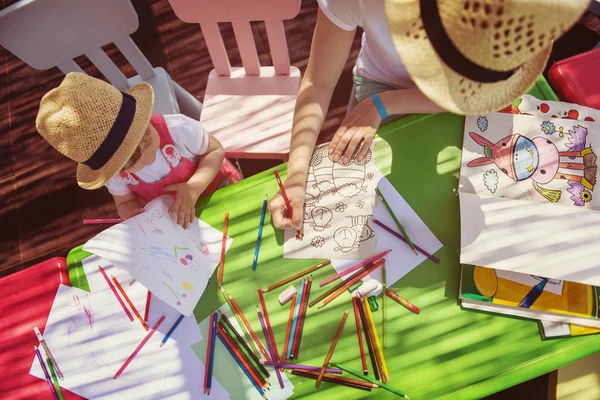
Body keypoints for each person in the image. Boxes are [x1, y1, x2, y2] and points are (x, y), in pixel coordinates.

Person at [269, 0, 590, 230]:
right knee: (392, 205)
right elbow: (318, 82)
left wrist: (388, 103)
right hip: (382, 86)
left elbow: (475, 95)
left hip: (457, 98)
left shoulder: (512, 20)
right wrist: (297, 173)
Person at [36, 72, 241, 228]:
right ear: (113, 169)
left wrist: (194, 186)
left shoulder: (177, 130)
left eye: (148, 141)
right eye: (132, 163)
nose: (148, 160)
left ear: (143, 119)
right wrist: (137, 215)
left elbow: (214, 151)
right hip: (183, 223)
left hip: (220, 191)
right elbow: (125, 202)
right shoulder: (115, 175)